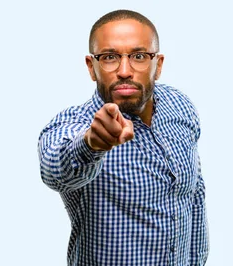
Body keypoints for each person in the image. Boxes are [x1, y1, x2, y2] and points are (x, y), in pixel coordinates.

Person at [38, 9, 209, 266]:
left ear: (158, 65)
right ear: (92, 67)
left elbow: (193, 194)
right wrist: (92, 144)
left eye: (139, 56)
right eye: (109, 57)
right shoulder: (75, 124)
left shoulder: (179, 106)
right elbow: (55, 168)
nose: (125, 70)